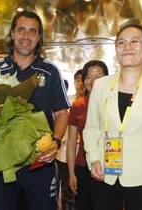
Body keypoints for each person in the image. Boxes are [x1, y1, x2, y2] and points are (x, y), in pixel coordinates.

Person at [0, 10, 70, 210]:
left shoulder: (50, 71)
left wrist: (55, 142)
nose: (26, 36)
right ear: (12, 33)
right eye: (21, 30)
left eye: (32, 31)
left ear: (39, 37)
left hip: (40, 162)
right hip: (0, 162)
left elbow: (61, 113)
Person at [83, 24, 142, 210]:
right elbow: (91, 128)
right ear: (116, 50)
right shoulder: (101, 86)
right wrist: (94, 159)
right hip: (104, 174)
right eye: (121, 42)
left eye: (135, 41)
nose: (127, 47)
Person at [67, 60, 108, 210]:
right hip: (83, 166)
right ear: (83, 81)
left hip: (108, 166)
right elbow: (71, 142)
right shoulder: (78, 105)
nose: (93, 81)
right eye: (89, 77)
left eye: (98, 76)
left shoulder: (113, 103)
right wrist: (71, 174)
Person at [56, 70, 84, 210]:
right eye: (77, 80)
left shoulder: (94, 100)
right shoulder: (67, 101)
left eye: (82, 79)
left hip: (84, 156)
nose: (80, 83)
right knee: (67, 189)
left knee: (82, 191)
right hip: (64, 154)